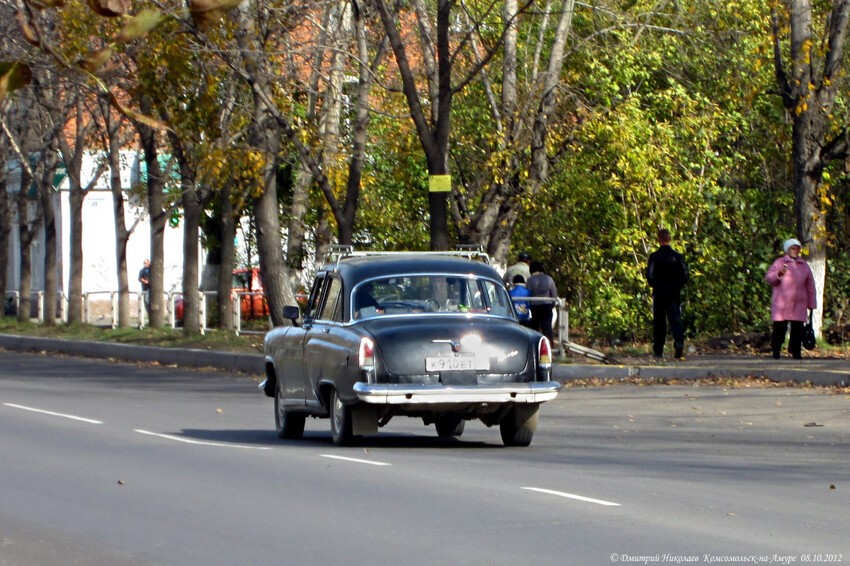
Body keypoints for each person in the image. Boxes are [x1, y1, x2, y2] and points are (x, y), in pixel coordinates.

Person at [764, 238, 817, 359]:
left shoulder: (804, 265)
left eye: (798, 249)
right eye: (793, 248)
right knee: (779, 329)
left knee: (798, 329)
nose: (796, 251)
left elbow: (810, 286)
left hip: (799, 303)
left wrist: (812, 303)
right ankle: (776, 350)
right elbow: (769, 278)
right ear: (787, 250)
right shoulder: (779, 262)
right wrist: (779, 274)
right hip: (782, 303)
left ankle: (796, 352)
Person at [646, 229, 689, 358]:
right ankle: (679, 343)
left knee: (659, 321)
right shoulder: (677, 256)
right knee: (675, 319)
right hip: (673, 292)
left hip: (659, 292)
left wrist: (654, 284)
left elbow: (649, 274)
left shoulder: (654, 256)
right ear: (669, 239)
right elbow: (685, 274)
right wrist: (678, 285)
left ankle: (658, 350)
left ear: (659, 240)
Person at [526, 261, 558, 343]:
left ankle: (534, 346)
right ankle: (550, 347)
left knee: (534, 329)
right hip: (547, 306)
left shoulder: (530, 280)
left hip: (535, 307)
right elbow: (554, 294)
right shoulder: (549, 279)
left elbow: (528, 293)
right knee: (547, 328)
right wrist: (552, 305)